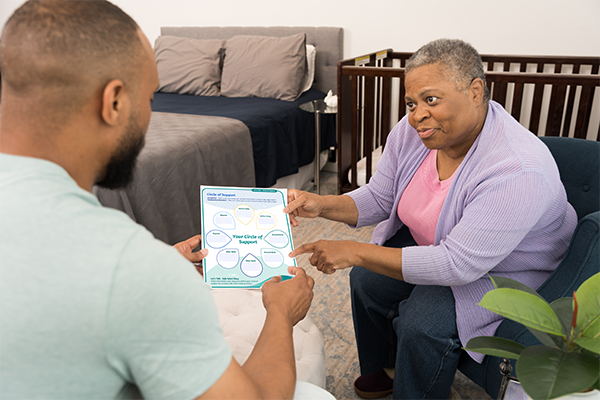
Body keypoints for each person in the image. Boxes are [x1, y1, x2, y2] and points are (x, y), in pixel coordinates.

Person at [0, 1, 319, 399]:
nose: (151, 114)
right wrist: (280, 314)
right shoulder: (129, 267)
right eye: (151, 97)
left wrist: (162, 262)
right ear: (114, 102)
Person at [285, 38, 577, 400]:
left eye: (431, 100)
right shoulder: (413, 133)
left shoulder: (517, 169)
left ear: (475, 91)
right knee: (367, 279)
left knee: (422, 322)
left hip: (505, 268)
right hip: (445, 243)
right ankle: (390, 370)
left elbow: (457, 264)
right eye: (411, 102)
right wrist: (322, 204)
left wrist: (354, 251)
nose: (416, 114)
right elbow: (381, 196)